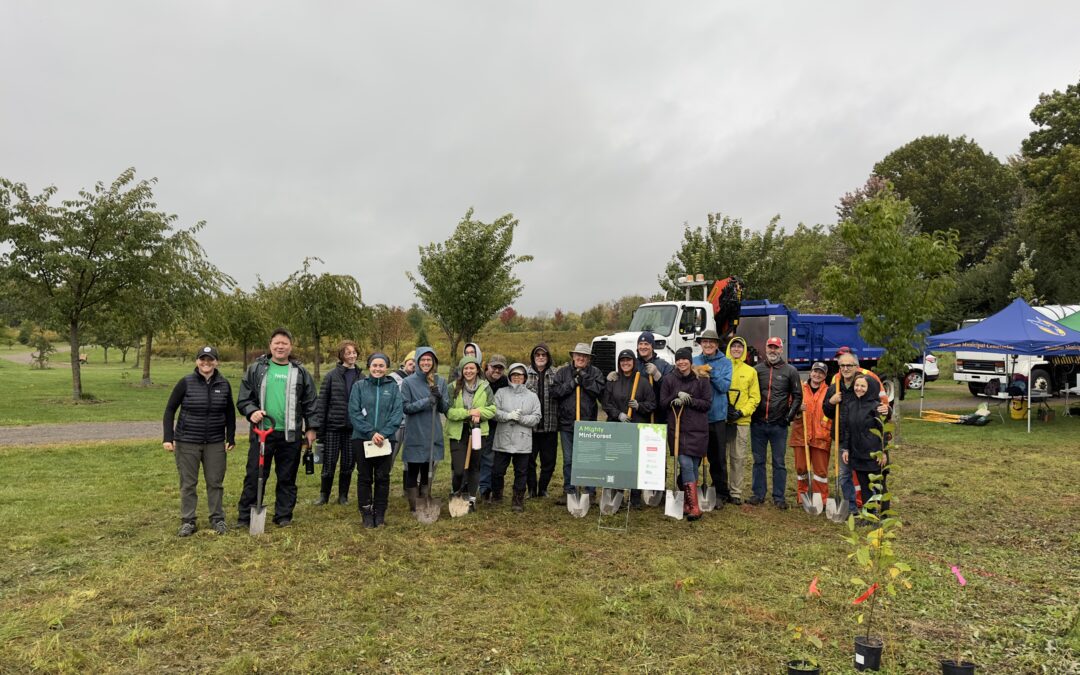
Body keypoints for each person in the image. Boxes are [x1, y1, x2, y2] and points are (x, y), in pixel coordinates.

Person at [236, 328, 319, 528]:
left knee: (287, 477)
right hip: (263, 433)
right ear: (270, 346)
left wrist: (311, 428)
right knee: (255, 475)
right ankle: (246, 516)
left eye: (284, 343)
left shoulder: (300, 372)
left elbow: (311, 402)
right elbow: (244, 398)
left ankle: (283, 515)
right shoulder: (257, 369)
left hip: (290, 435)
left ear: (291, 347)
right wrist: (251, 411)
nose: (280, 346)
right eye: (277, 343)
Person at [163, 345, 236, 536]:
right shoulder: (185, 382)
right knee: (188, 483)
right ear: (197, 361)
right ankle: (188, 520)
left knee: (215, 482)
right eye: (202, 359)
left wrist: (231, 436)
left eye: (210, 359)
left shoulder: (224, 384)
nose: (206, 362)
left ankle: (217, 519)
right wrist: (167, 437)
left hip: (214, 441)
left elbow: (230, 412)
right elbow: (170, 409)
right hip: (187, 441)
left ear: (216, 362)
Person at [823, 351, 890, 513]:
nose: (845, 369)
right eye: (842, 366)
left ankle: (875, 509)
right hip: (843, 439)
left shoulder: (864, 384)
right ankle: (851, 508)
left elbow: (879, 409)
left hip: (867, 442)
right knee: (844, 475)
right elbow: (826, 411)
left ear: (856, 366)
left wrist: (888, 410)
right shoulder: (835, 388)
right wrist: (831, 403)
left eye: (849, 365)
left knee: (870, 477)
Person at [349, 353, 403, 528]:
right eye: (374, 365)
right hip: (362, 439)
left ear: (386, 368)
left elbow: (397, 414)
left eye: (381, 365)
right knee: (364, 477)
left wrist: (384, 433)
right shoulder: (359, 387)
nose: (378, 369)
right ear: (369, 367)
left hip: (386, 441)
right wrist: (371, 433)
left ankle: (379, 513)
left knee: (382, 477)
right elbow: (354, 413)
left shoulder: (393, 388)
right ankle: (366, 512)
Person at [659, 347, 712, 521]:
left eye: (685, 359)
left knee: (693, 467)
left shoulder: (702, 379)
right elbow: (663, 403)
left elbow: (706, 404)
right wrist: (675, 396)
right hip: (678, 430)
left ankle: (688, 503)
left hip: (698, 429)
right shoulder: (669, 379)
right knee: (686, 465)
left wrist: (690, 400)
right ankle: (695, 507)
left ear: (690, 361)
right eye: (679, 359)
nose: (681, 362)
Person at [749, 337, 803, 509]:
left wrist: (788, 417)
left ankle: (779, 496)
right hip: (758, 424)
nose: (772, 350)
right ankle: (758, 494)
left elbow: (798, 395)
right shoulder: (756, 370)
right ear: (765, 348)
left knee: (779, 462)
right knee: (758, 461)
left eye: (776, 348)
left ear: (781, 350)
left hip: (778, 425)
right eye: (770, 347)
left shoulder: (790, 371)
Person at [602, 349, 657, 507]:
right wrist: (618, 414)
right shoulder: (613, 380)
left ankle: (635, 497)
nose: (625, 363)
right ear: (619, 363)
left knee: (635, 463)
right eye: (622, 360)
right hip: (617, 426)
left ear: (634, 362)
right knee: (617, 462)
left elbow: (652, 403)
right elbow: (606, 403)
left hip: (636, 427)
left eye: (628, 360)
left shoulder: (643, 381)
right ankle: (617, 493)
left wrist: (640, 406)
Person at [551, 343, 605, 503]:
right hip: (567, 423)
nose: (581, 358)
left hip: (588, 423)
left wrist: (584, 379)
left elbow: (599, 391)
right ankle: (569, 491)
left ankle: (590, 492)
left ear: (589, 359)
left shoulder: (595, 373)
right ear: (573, 356)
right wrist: (572, 383)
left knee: (589, 458)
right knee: (569, 459)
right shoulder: (562, 373)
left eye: (585, 356)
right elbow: (555, 392)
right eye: (578, 355)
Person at [400, 347, 450, 511]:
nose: (426, 362)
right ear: (417, 362)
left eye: (429, 360)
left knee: (428, 467)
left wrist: (440, 397)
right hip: (415, 431)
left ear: (434, 362)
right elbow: (406, 407)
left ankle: (425, 499)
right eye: (423, 359)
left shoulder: (440, 381)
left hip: (432, 432)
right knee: (413, 468)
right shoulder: (408, 382)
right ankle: (414, 505)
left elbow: (444, 408)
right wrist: (427, 401)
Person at [445, 355, 496, 509]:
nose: (469, 371)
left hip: (478, 432)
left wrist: (478, 413)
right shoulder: (452, 387)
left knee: (474, 466)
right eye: (466, 368)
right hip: (458, 433)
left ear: (477, 370)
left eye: (472, 368)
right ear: (461, 370)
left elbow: (492, 409)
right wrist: (468, 413)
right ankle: (457, 494)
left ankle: (472, 498)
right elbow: (449, 412)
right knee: (459, 469)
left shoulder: (485, 387)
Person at [315, 340, 362, 505]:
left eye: (354, 352)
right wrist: (320, 430)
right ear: (341, 355)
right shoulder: (331, 376)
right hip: (333, 428)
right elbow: (322, 404)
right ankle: (324, 495)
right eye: (348, 353)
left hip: (353, 429)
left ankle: (343, 496)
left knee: (348, 463)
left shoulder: (361, 377)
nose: (352, 355)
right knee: (329, 462)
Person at [839, 374, 890, 523]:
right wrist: (846, 449)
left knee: (879, 486)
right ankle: (868, 515)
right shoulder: (850, 405)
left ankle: (883, 515)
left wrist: (884, 452)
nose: (858, 389)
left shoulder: (877, 407)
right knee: (865, 486)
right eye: (857, 385)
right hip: (857, 452)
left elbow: (884, 431)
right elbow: (847, 429)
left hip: (874, 453)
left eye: (863, 386)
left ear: (870, 388)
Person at [492, 362, 542, 512]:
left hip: (522, 440)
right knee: (498, 470)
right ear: (509, 376)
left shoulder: (532, 397)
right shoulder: (501, 392)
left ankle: (518, 499)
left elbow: (536, 417)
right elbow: (493, 411)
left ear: (525, 377)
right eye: (514, 375)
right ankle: (496, 495)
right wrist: (508, 416)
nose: (517, 378)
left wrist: (521, 419)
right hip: (503, 438)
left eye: (520, 375)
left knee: (521, 471)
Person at [692, 329, 733, 506]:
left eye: (711, 342)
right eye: (705, 342)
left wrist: (710, 373)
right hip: (697, 416)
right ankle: (691, 490)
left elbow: (724, 387)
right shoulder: (694, 361)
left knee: (717, 458)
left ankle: (721, 493)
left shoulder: (725, 363)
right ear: (701, 344)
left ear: (716, 344)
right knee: (694, 456)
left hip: (716, 417)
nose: (708, 345)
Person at [790, 361, 833, 506]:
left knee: (820, 471)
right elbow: (789, 409)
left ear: (825, 376)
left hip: (821, 435)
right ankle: (803, 495)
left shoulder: (829, 391)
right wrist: (796, 408)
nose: (817, 375)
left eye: (821, 373)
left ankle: (821, 497)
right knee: (801, 468)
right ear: (810, 372)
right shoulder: (800, 389)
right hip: (801, 434)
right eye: (815, 371)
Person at [724, 337, 760, 505]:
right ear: (729, 349)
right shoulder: (722, 367)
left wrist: (741, 412)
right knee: (721, 457)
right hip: (722, 420)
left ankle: (735, 491)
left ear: (744, 350)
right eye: (734, 346)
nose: (736, 349)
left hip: (741, 421)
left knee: (738, 457)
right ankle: (721, 489)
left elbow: (755, 397)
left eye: (740, 347)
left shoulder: (750, 371)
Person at [526, 343, 559, 498]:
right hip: (530, 427)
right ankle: (531, 489)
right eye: (537, 355)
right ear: (533, 357)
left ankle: (543, 488)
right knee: (529, 460)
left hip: (550, 425)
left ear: (548, 357)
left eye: (543, 355)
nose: (540, 358)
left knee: (549, 461)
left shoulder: (556, 374)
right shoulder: (525, 373)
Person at [478, 354, 509, 501]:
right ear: (487, 367)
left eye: (500, 368)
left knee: (490, 457)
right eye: (494, 367)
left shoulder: (504, 382)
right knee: (476, 456)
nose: (497, 370)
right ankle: (469, 486)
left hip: (496, 425)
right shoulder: (480, 380)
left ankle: (485, 488)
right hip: (478, 422)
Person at [390, 350, 416, 494]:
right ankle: (384, 484)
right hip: (397, 423)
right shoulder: (393, 378)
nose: (412, 365)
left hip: (412, 424)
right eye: (410, 362)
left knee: (410, 457)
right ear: (405, 362)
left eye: (415, 363)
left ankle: (408, 489)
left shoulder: (419, 379)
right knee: (390, 455)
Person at [635, 331, 674, 424]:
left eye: (646, 344)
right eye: (640, 344)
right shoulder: (633, 364)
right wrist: (616, 375)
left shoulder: (663, 365)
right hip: (638, 412)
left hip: (658, 414)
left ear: (652, 346)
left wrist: (658, 375)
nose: (643, 347)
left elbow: (671, 387)